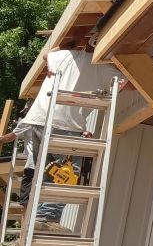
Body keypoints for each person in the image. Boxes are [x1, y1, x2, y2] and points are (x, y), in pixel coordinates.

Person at [0, 47, 121, 228]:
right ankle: (47, 219)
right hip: (65, 125)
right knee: (67, 174)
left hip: (39, 125)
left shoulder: (61, 56)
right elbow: (125, 83)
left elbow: (47, 53)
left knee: (44, 176)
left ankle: (36, 225)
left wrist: (49, 62)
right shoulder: (102, 67)